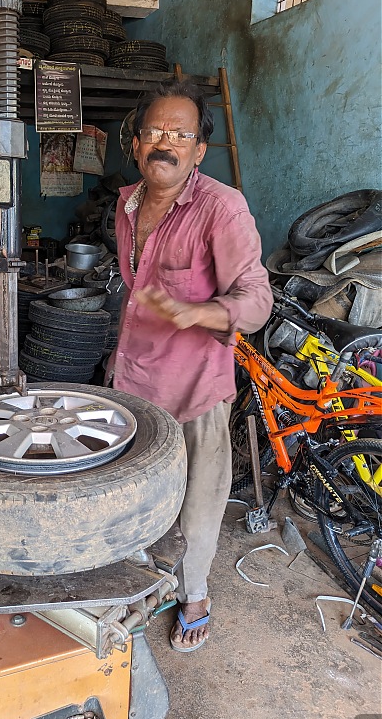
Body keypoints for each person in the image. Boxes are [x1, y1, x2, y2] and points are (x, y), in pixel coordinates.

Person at [108, 80, 273, 652]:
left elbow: (257, 302)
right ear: (135, 143)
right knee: (136, 495)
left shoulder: (221, 209)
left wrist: (193, 311)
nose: (165, 143)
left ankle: (195, 595)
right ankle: (138, 580)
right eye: (154, 130)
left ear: (199, 150)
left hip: (196, 388)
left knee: (198, 506)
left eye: (181, 134)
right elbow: (133, 292)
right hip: (133, 381)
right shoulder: (127, 203)